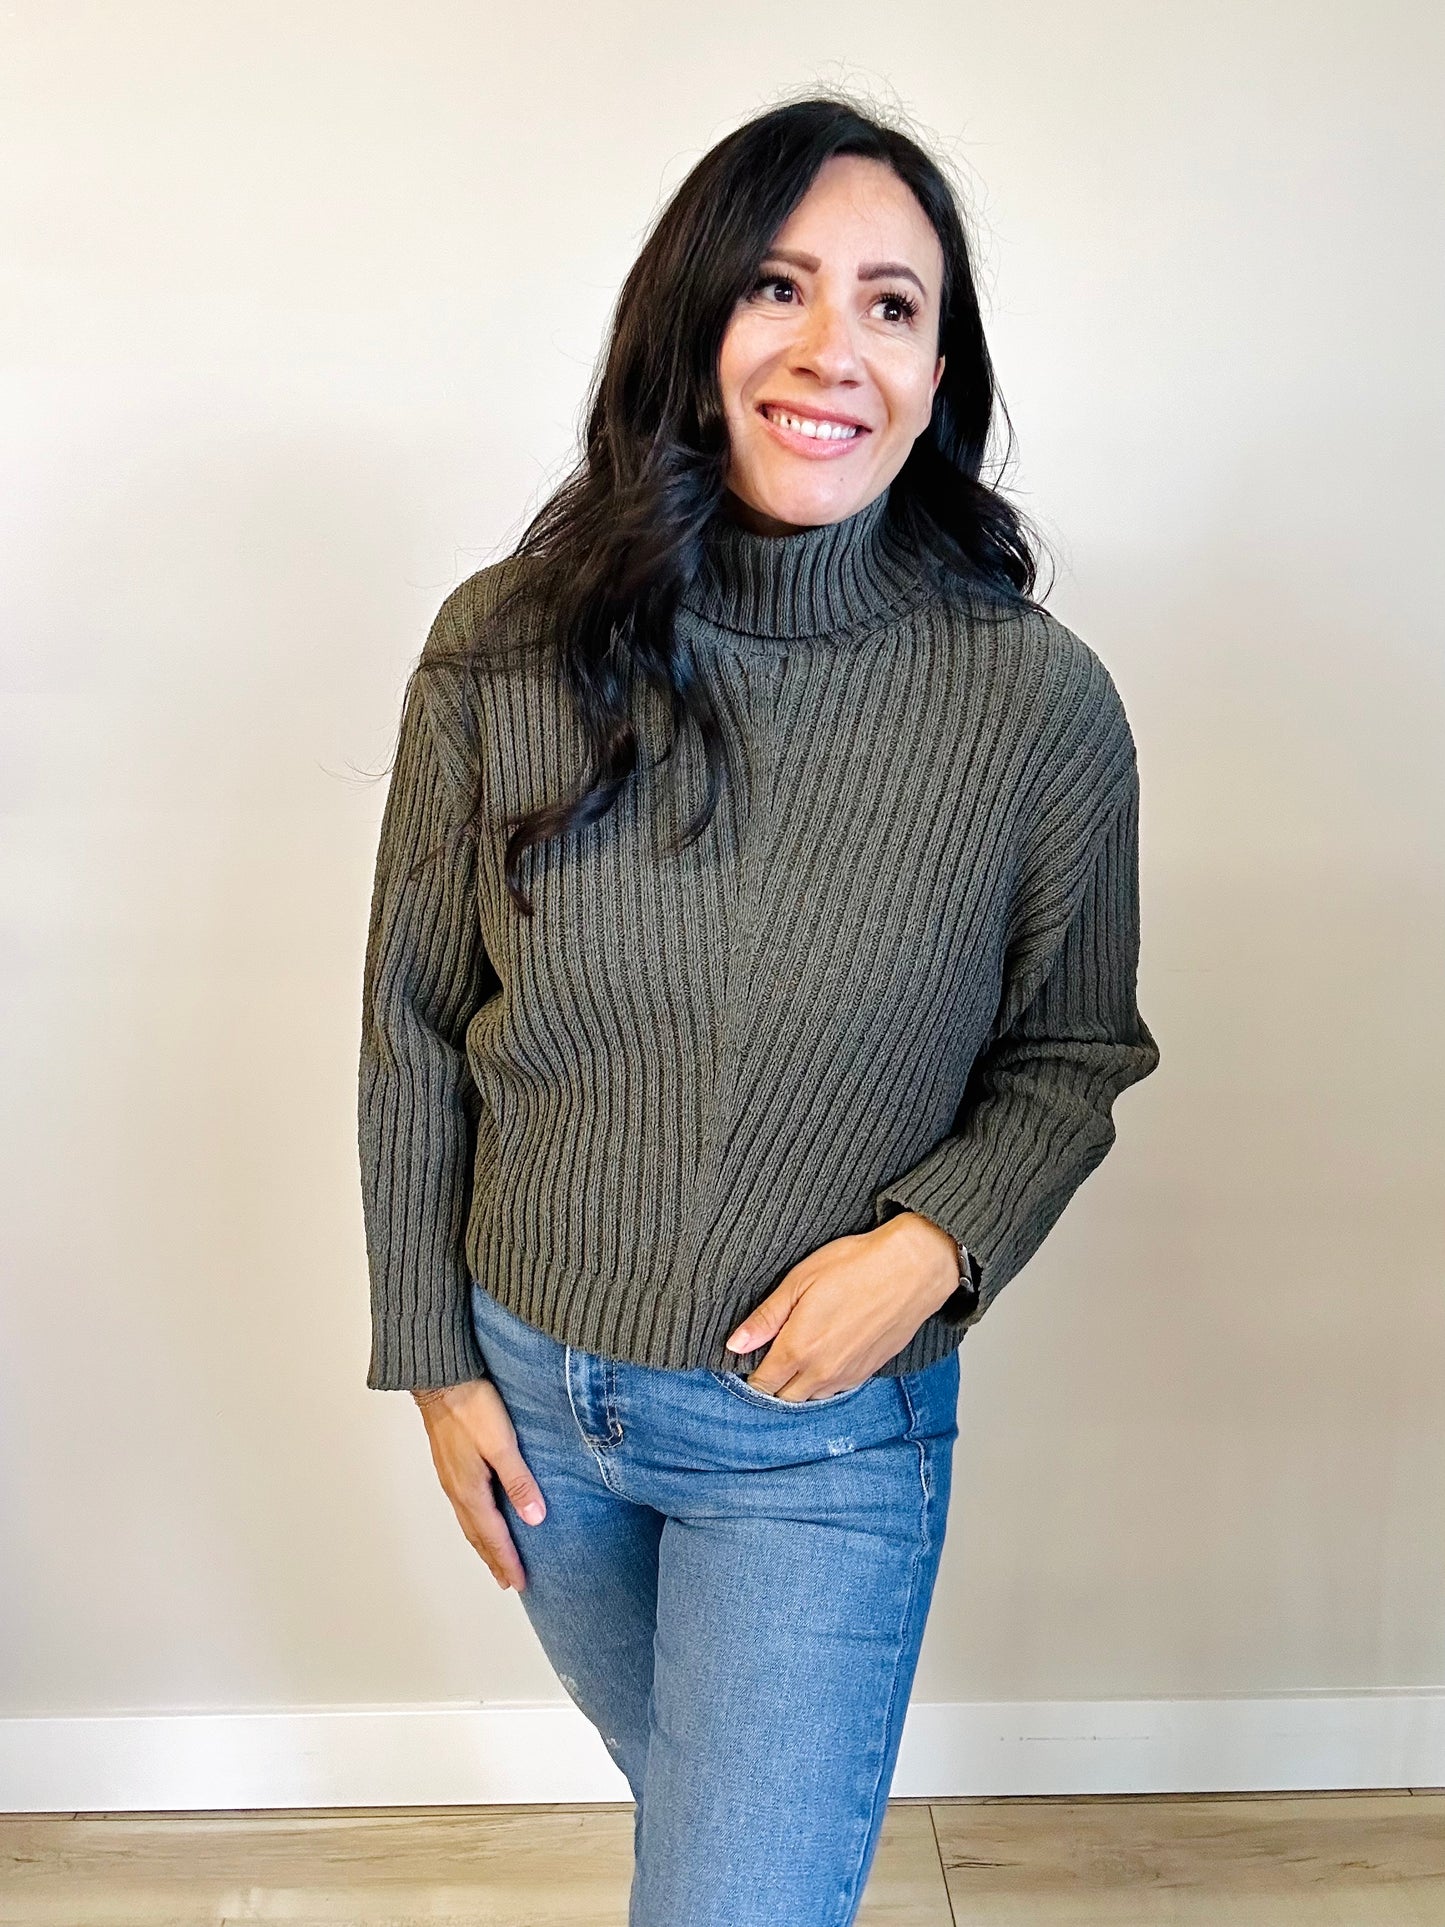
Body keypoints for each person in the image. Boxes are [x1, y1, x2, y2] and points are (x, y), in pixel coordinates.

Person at [358, 93, 1161, 1927]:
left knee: (734, 1898)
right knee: (721, 1858)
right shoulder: (505, 643)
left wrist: (934, 1247)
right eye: (779, 289)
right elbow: (413, 1015)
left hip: (818, 1436)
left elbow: (1072, 1049)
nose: (830, 349)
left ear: (937, 367)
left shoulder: (1033, 704)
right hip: (539, 1409)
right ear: (693, 326)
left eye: (889, 305)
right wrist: (431, 1352)